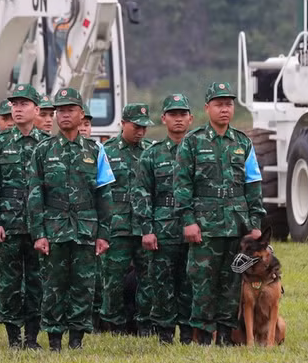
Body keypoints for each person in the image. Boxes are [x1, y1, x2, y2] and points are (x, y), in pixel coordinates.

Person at [174, 82, 264, 346]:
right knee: (202, 282)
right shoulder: (193, 142)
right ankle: (202, 336)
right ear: (207, 108)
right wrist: (189, 221)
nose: (225, 109)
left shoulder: (242, 142)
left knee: (232, 281)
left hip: (237, 226)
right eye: (219, 104)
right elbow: (182, 185)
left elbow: (253, 184)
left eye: (228, 104)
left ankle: (225, 335)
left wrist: (255, 223)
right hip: (205, 225)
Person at [28, 87, 114, 351]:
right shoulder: (43, 150)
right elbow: (34, 194)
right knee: (53, 285)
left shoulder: (95, 150)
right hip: (54, 227)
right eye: (60, 110)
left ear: (81, 114)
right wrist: (39, 233)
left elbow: (105, 193)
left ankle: (77, 338)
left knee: (83, 285)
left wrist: (104, 233)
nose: (65, 115)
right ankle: (54, 338)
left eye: (70, 110)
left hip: (86, 228)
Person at [0, 83, 50, 349]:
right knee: (9, 285)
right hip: (8, 225)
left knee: (37, 282)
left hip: (38, 227)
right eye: (14, 104)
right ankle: (14, 338)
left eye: (24, 104)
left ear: (36, 110)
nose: (18, 109)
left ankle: (32, 338)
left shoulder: (47, 144)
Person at [133, 94, 194, 344]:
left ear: (190, 118)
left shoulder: (199, 150)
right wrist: (147, 229)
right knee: (162, 282)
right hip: (163, 227)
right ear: (164, 118)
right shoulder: (152, 154)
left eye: (182, 114)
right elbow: (141, 193)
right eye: (173, 114)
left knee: (190, 281)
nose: (178, 119)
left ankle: (190, 333)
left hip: (192, 227)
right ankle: (165, 334)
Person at [101, 103, 154, 335]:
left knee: (147, 277)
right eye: (136, 126)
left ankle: (144, 324)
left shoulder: (151, 151)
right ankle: (115, 324)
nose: (141, 131)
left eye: (144, 127)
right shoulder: (107, 150)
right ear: (123, 124)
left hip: (144, 226)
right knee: (113, 278)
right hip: (117, 225)